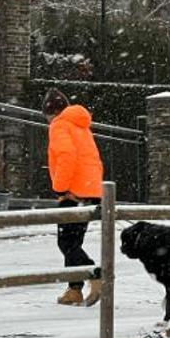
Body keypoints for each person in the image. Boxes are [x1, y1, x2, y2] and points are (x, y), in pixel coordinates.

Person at [43, 88, 104, 306]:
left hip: (73, 192)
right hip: (92, 191)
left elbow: (67, 156)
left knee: (66, 242)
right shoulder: (82, 126)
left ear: (50, 112)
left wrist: (60, 189)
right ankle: (74, 290)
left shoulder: (59, 125)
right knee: (74, 241)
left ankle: (93, 273)